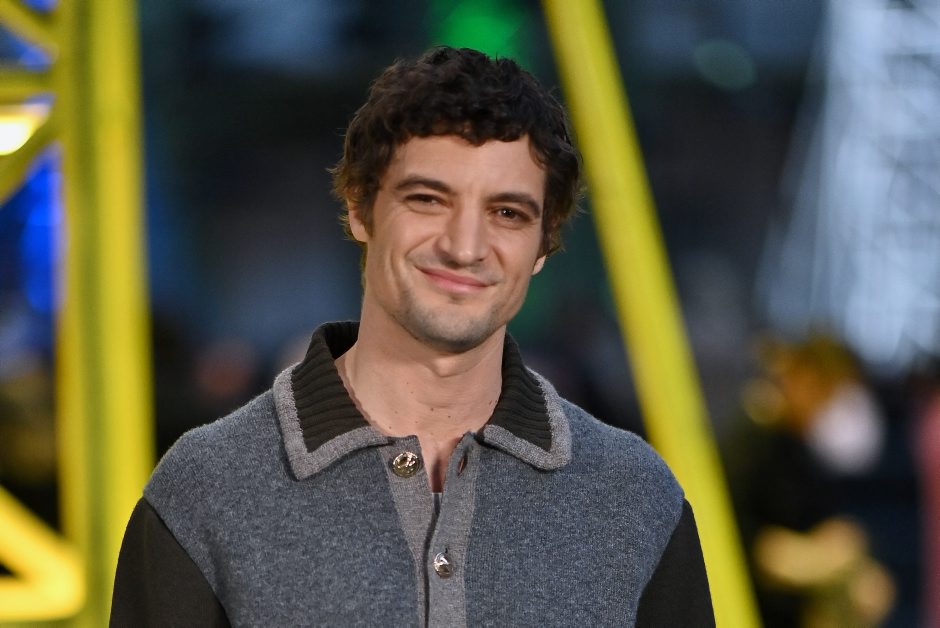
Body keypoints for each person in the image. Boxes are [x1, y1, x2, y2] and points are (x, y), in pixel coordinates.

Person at [110, 46, 714, 626]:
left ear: (542, 245)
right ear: (359, 207)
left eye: (507, 213)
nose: (465, 247)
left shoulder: (634, 499)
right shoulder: (207, 490)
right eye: (428, 199)